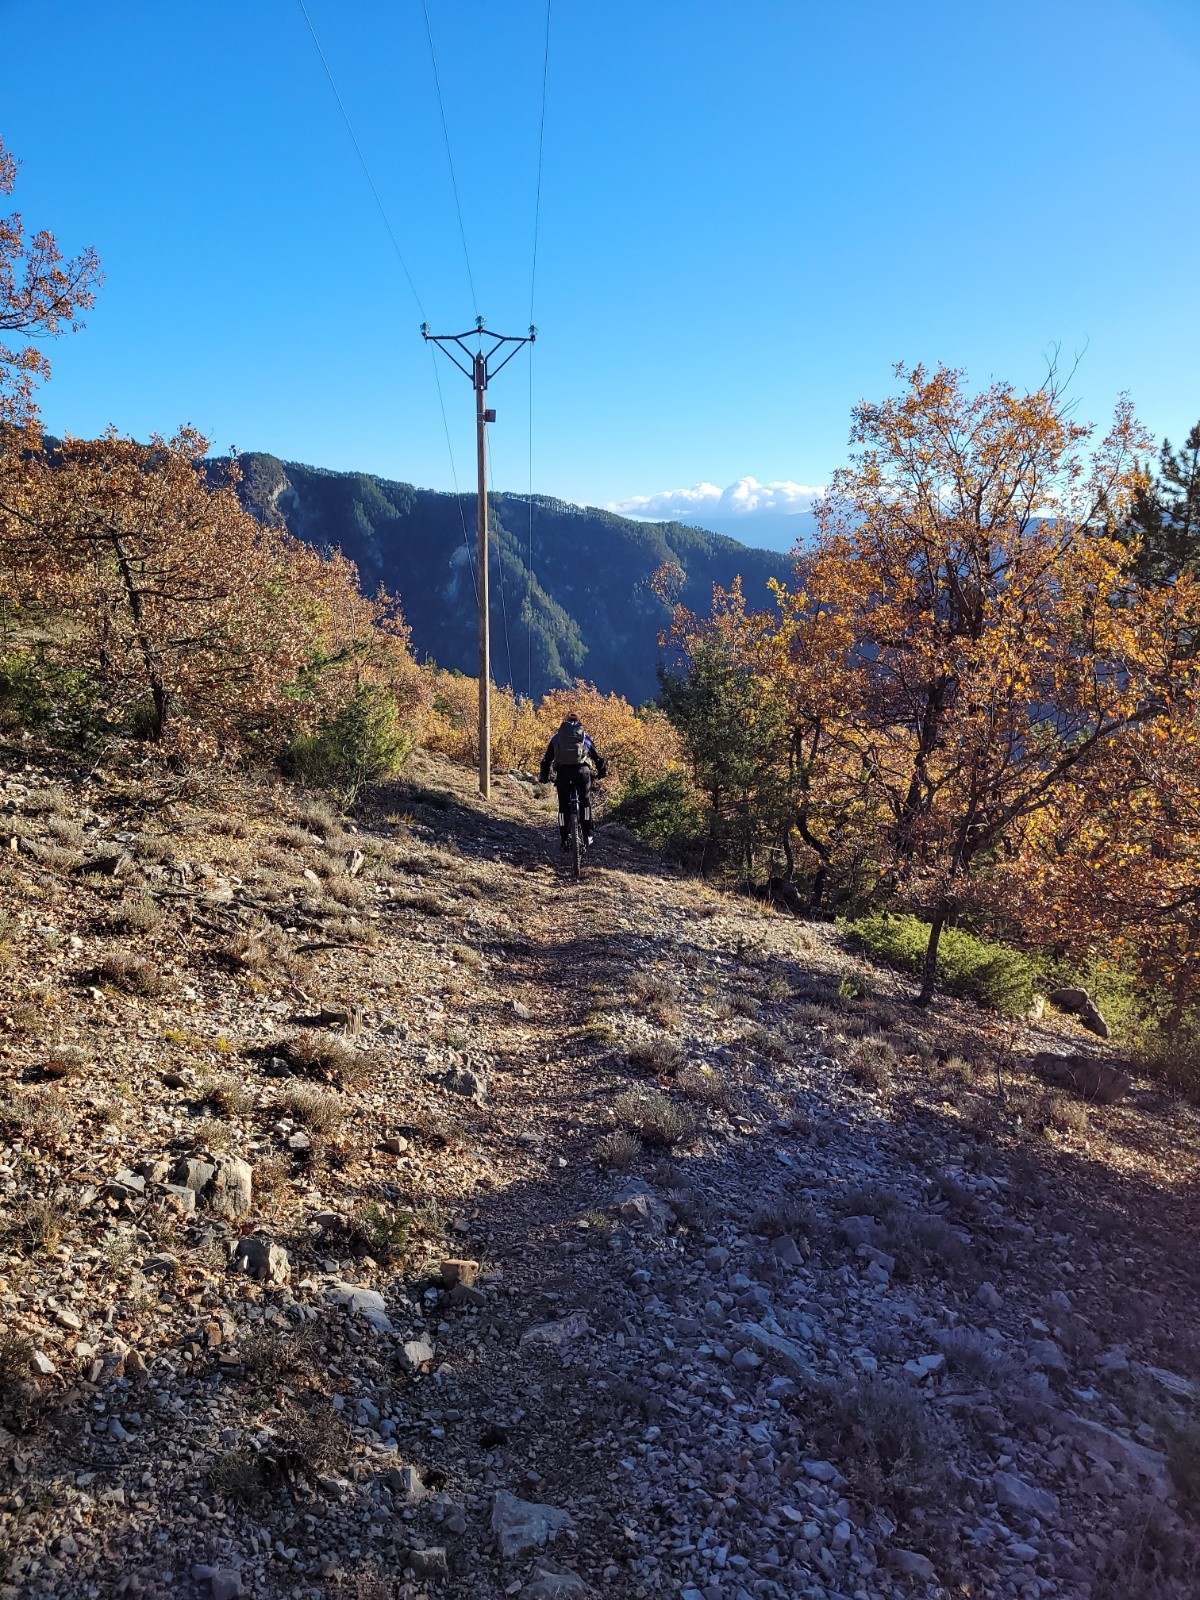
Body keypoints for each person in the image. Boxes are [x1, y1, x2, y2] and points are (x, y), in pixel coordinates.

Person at [538, 713, 607, 849]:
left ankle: (564, 839)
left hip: (563, 773)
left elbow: (546, 761)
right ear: (579, 724)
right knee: (585, 802)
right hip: (582, 773)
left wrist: (544, 777)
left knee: (563, 806)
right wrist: (601, 773)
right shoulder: (584, 738)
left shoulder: (557, 738)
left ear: (564, 724)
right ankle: (587, 835)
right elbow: (598, 758)